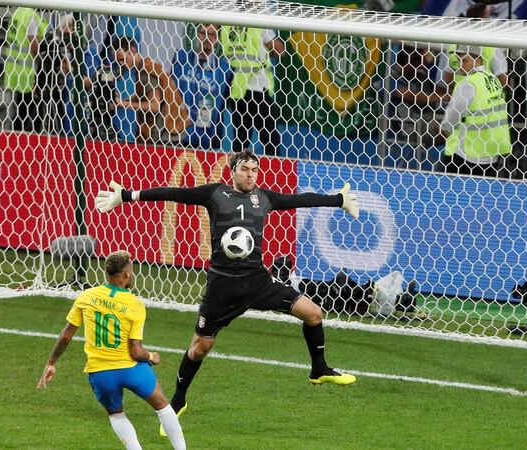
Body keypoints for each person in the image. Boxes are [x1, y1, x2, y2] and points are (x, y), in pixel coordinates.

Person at [94, 150, 360, 433]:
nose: (250, 175)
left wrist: (339, 200)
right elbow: (174, 193)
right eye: (245, 169)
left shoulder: (264, 198)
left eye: (255, 170)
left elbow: (300, 200)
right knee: (199, 349)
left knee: (314, 314)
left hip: (257, 282)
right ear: (233, 171)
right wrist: (127, 195)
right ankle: (178, 402)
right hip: (222, 286)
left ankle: (319, 369)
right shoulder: (215, 194)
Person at [37, 250, 186, 450]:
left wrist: (51, 362)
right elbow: (136, 351)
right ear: (126, 274)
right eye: (130, 271)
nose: (131, 275)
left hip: (101, 373)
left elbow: (66, 334)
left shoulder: (86, 296)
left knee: (116, 414)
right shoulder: (135, 305)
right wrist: (151, 356)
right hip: (131, 369)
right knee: (162, 405)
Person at [440, 44, 512, 177]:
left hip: (467, 153)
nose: (461, 65)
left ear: (478, 59)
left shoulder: (468, 84)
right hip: (491, 152)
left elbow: (452, 116)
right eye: (459, 60)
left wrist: (445, 129)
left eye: (465, 60)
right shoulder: (493, 79)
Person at [220, 25, 286, 155]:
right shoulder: (259, 23)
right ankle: (274, 173)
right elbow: (280, 50)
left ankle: (236, 172)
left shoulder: (228, 25)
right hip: (257, 89)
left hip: (237, 88)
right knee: (270, 140)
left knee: (240, 140)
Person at [113, 36, 189, 145]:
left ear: (133, 51)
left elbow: (155, 105)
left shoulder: (146, 71)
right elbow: (143, 95)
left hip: (166, 136)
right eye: (118, 61)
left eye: (122, 59)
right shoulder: (145, 67)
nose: (121, 64)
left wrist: (124, 104)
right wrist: (121, 103)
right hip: (172, 131)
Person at [171, 23, 232, 150]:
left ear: (217, 39)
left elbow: (221, 105)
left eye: (212, 35)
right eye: (203, 33)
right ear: (197, 35)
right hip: (177, 133)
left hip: (204, 137)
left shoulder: (224, 69)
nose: (207, 38)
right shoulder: (181, 58)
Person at [440, 4, 508, 90]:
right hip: (484, 101)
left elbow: (448, 77)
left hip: (460, 96)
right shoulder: (493, 46)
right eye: (488, 17)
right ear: (483, 20)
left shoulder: (453, 45)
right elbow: (503, 80)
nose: (490, 20)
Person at [2, 7, 47, 132]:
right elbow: (33, 44)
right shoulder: (30, 16)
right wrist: (43, 60)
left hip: (14, 69)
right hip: (26, 73)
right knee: (27, 114)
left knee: (18, 110)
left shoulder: (18, 11)